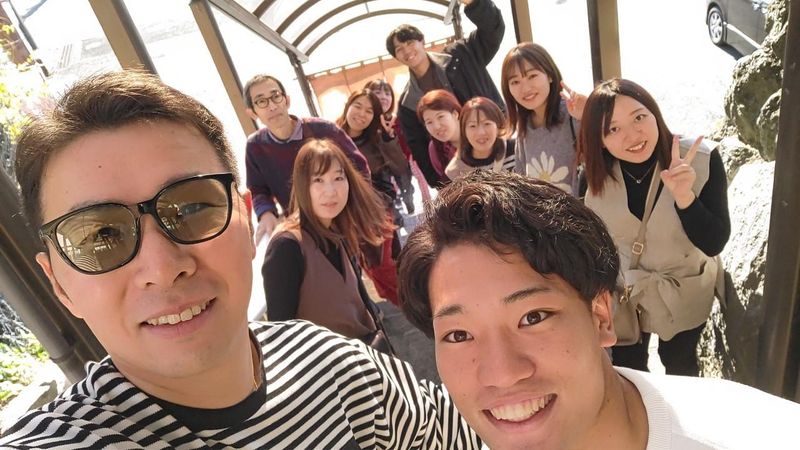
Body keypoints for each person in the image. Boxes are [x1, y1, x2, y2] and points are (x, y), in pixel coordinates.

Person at [0, 70, 481, 449]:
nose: (163, 268)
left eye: (192, 207)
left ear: (246, 221)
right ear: (58, 283)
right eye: (100, 235)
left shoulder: (335, 365)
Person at [397, 170, 799, 450]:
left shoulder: (763, 435)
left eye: (532, 317)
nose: (501, 374)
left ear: (602, 317)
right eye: (459, 335)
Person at [578, 78, 731, 377]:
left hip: (683, 288)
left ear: (654, 113)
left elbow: (714, 242)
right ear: (599, 139)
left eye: (639, 117)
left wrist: (685, 198)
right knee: (630, 371)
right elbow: (590, 242)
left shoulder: (699, 160)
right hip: (626, 295)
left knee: (680, 365)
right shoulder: (594, 177)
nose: (632, 135)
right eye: (613, 129)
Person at [262, 139, 392, 346]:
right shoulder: (286, 247)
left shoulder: (338, 230)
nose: (330, 191)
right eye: (318, 180)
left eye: (338, 178)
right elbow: (281, 338)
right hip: (327, 365)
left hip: (368, 356)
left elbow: (363, 306)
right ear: (302, 185)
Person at [387, 0, 505, 187]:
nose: (407, 51)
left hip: (499, 144)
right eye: (399, 49)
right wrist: (443, 187)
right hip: (464, 171)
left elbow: (492, 31)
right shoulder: (407, 103)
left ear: (422, 41)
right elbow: (419, 149)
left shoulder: (460, 56)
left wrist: (475, 4)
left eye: (409, 42)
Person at [242, 74, 369, 243]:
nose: (272, 106)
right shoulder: (255, 146)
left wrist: (351, 210)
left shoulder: (324, 130)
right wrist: (266, 213)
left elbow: (359, 169)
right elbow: (258, 189)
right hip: (304, 231)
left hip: (346, 222)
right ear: (252, 113)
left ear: (287, 100)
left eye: (276, 96)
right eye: (261, 101)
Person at [335, 89, 405, 305]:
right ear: (348, 106)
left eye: (369, 111)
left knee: (385, 269)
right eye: (357, 106)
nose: (361, 114)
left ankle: (419, 307)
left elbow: (400, 168)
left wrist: (389, 138)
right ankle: (412, 306)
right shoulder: (330, 138)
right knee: (377, 276)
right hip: (348, 219)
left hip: (378, 214)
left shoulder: (375, 140)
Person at [501, 42, 585, 195]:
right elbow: (523, 186)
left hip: (580, 209)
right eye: (515, 82)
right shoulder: (523, 128)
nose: (525, 88)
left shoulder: (573, 115)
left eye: (532, 76)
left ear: (550, 75)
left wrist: (589, 115)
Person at [364, 78, 428, 210]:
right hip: (379, 177)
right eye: (377, 92)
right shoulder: (364, 123)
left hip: (402, 162)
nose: (383, 97)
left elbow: (401, 151)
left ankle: (409, 201)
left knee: (406, 185)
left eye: (387, 94)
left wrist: (389, 136)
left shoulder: (395, 120)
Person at [444, 96, 515, 180]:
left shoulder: (517, 150)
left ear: (498, 125)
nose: (481, 132)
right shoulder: (456, 171)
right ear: (464, 130)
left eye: (487, 124)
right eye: (472, 126)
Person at [417, 89, 463, 184]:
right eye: (429, 122)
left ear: (455, 114)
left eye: (440, 117)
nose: (436, 126)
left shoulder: (476, 131)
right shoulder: (434, 148)